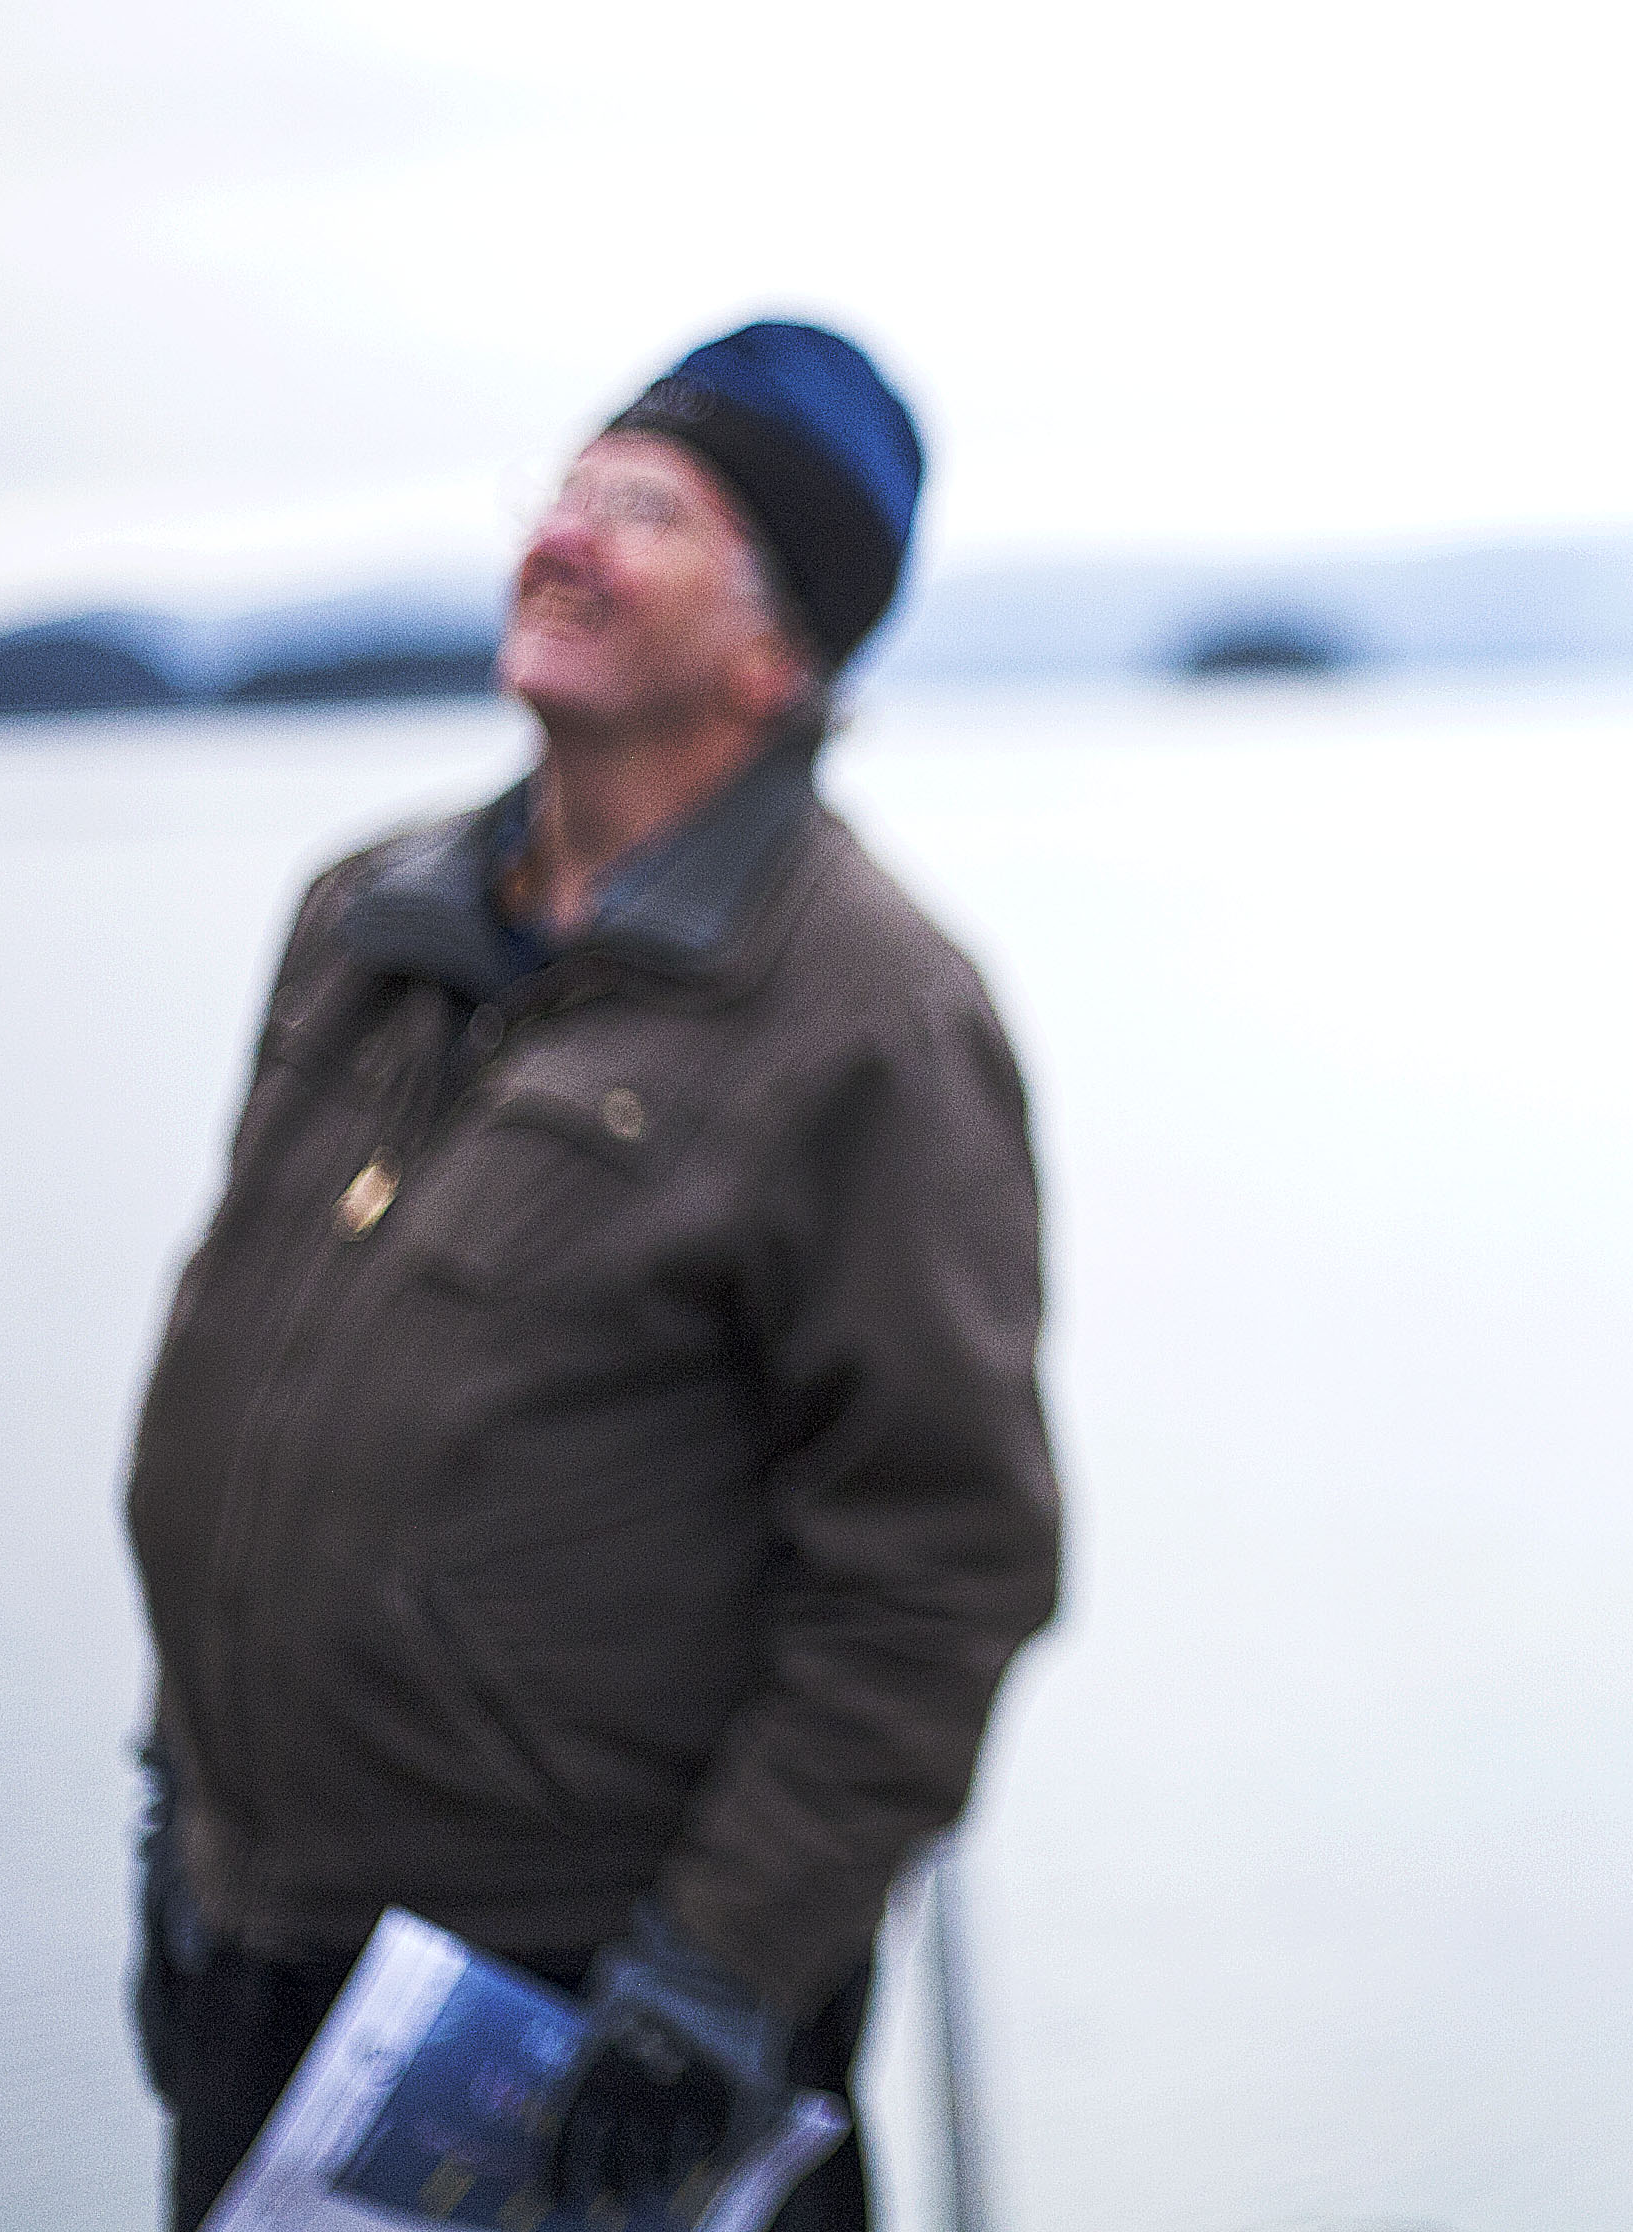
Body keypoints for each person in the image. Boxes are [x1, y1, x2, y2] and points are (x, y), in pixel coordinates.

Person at [122, 321, 1061, 2231]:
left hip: (586, 2035)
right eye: (562, 492)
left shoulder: (871, 1016)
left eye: (643, 513)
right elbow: (263, 1396)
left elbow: (941, 1564)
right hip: (265, 1960)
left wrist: (718, 1977)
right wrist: (176, 1809)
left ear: (776, 652)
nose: (560, 539)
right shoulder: (366, 921)